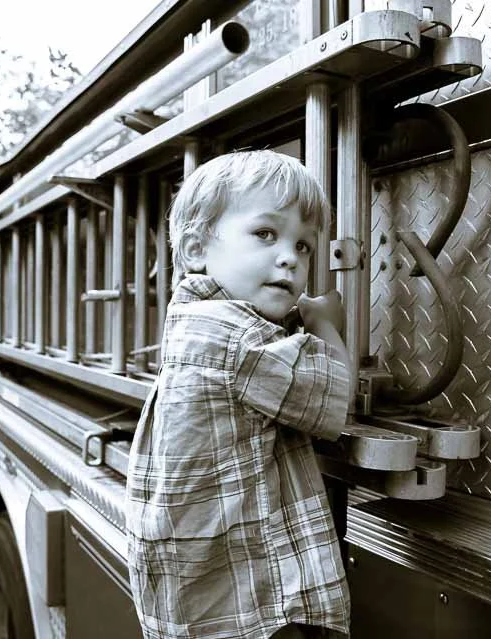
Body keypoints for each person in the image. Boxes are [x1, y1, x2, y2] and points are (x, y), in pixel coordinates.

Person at [126, 150, 352, 639]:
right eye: (265, 234)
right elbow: (333, 397)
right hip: (247, 612)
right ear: (195, 248)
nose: (290, 256)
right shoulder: (236, 338)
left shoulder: (197, 322)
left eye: (304, 245)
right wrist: (324, 325)